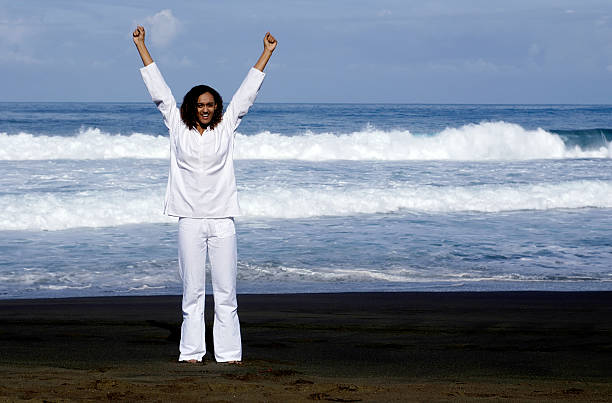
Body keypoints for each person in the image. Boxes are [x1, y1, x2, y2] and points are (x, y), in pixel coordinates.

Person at [132, 25, 277, 364]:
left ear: (217, 107)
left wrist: (267, 53)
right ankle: (192, 352)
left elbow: (246, 95)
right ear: (191, 107)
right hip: (190, 221)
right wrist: (141, 45)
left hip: (223, 221)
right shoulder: (176, 126)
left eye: (211, 104)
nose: (206, 109)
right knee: (192, 293)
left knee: (226, 293)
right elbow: (159, 91)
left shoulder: (227, 127)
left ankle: (228, 354)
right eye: (200, 104)